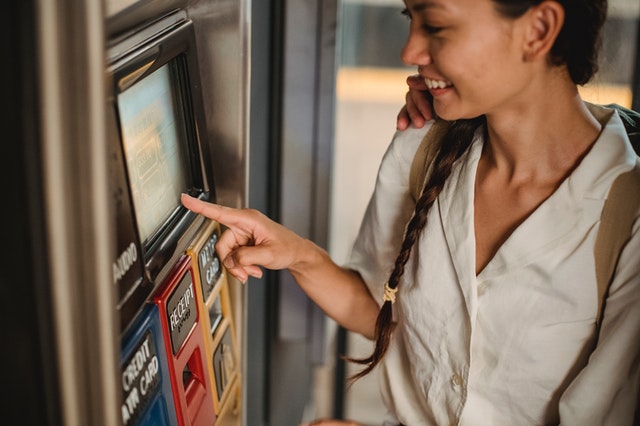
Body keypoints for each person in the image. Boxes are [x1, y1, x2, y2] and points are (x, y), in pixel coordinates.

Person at [182, 0, 640, 424]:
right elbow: (386, 319)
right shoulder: (425, 147)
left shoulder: (628, 218)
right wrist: (298, 254)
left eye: (436, 26)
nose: (409, 51)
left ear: (538, 30)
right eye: (409, 19)